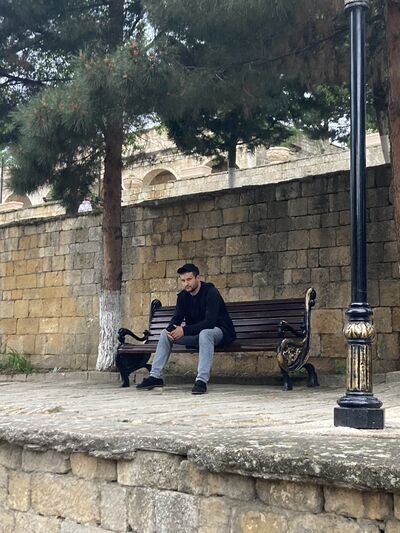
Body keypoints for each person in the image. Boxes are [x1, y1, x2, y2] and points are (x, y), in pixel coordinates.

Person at [136, 263, 236, 395]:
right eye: (183, 280)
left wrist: (184, 330)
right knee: (165, 333)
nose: (186, 283)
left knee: (205, 333)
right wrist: (171, 329)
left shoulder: (211, 292)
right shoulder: (183, 296)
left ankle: (201, 381)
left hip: (219, 333)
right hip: (196, 335)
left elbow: (210, 323)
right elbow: (177, 318)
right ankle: (155, 376)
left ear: (197, 278)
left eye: (189, 279)